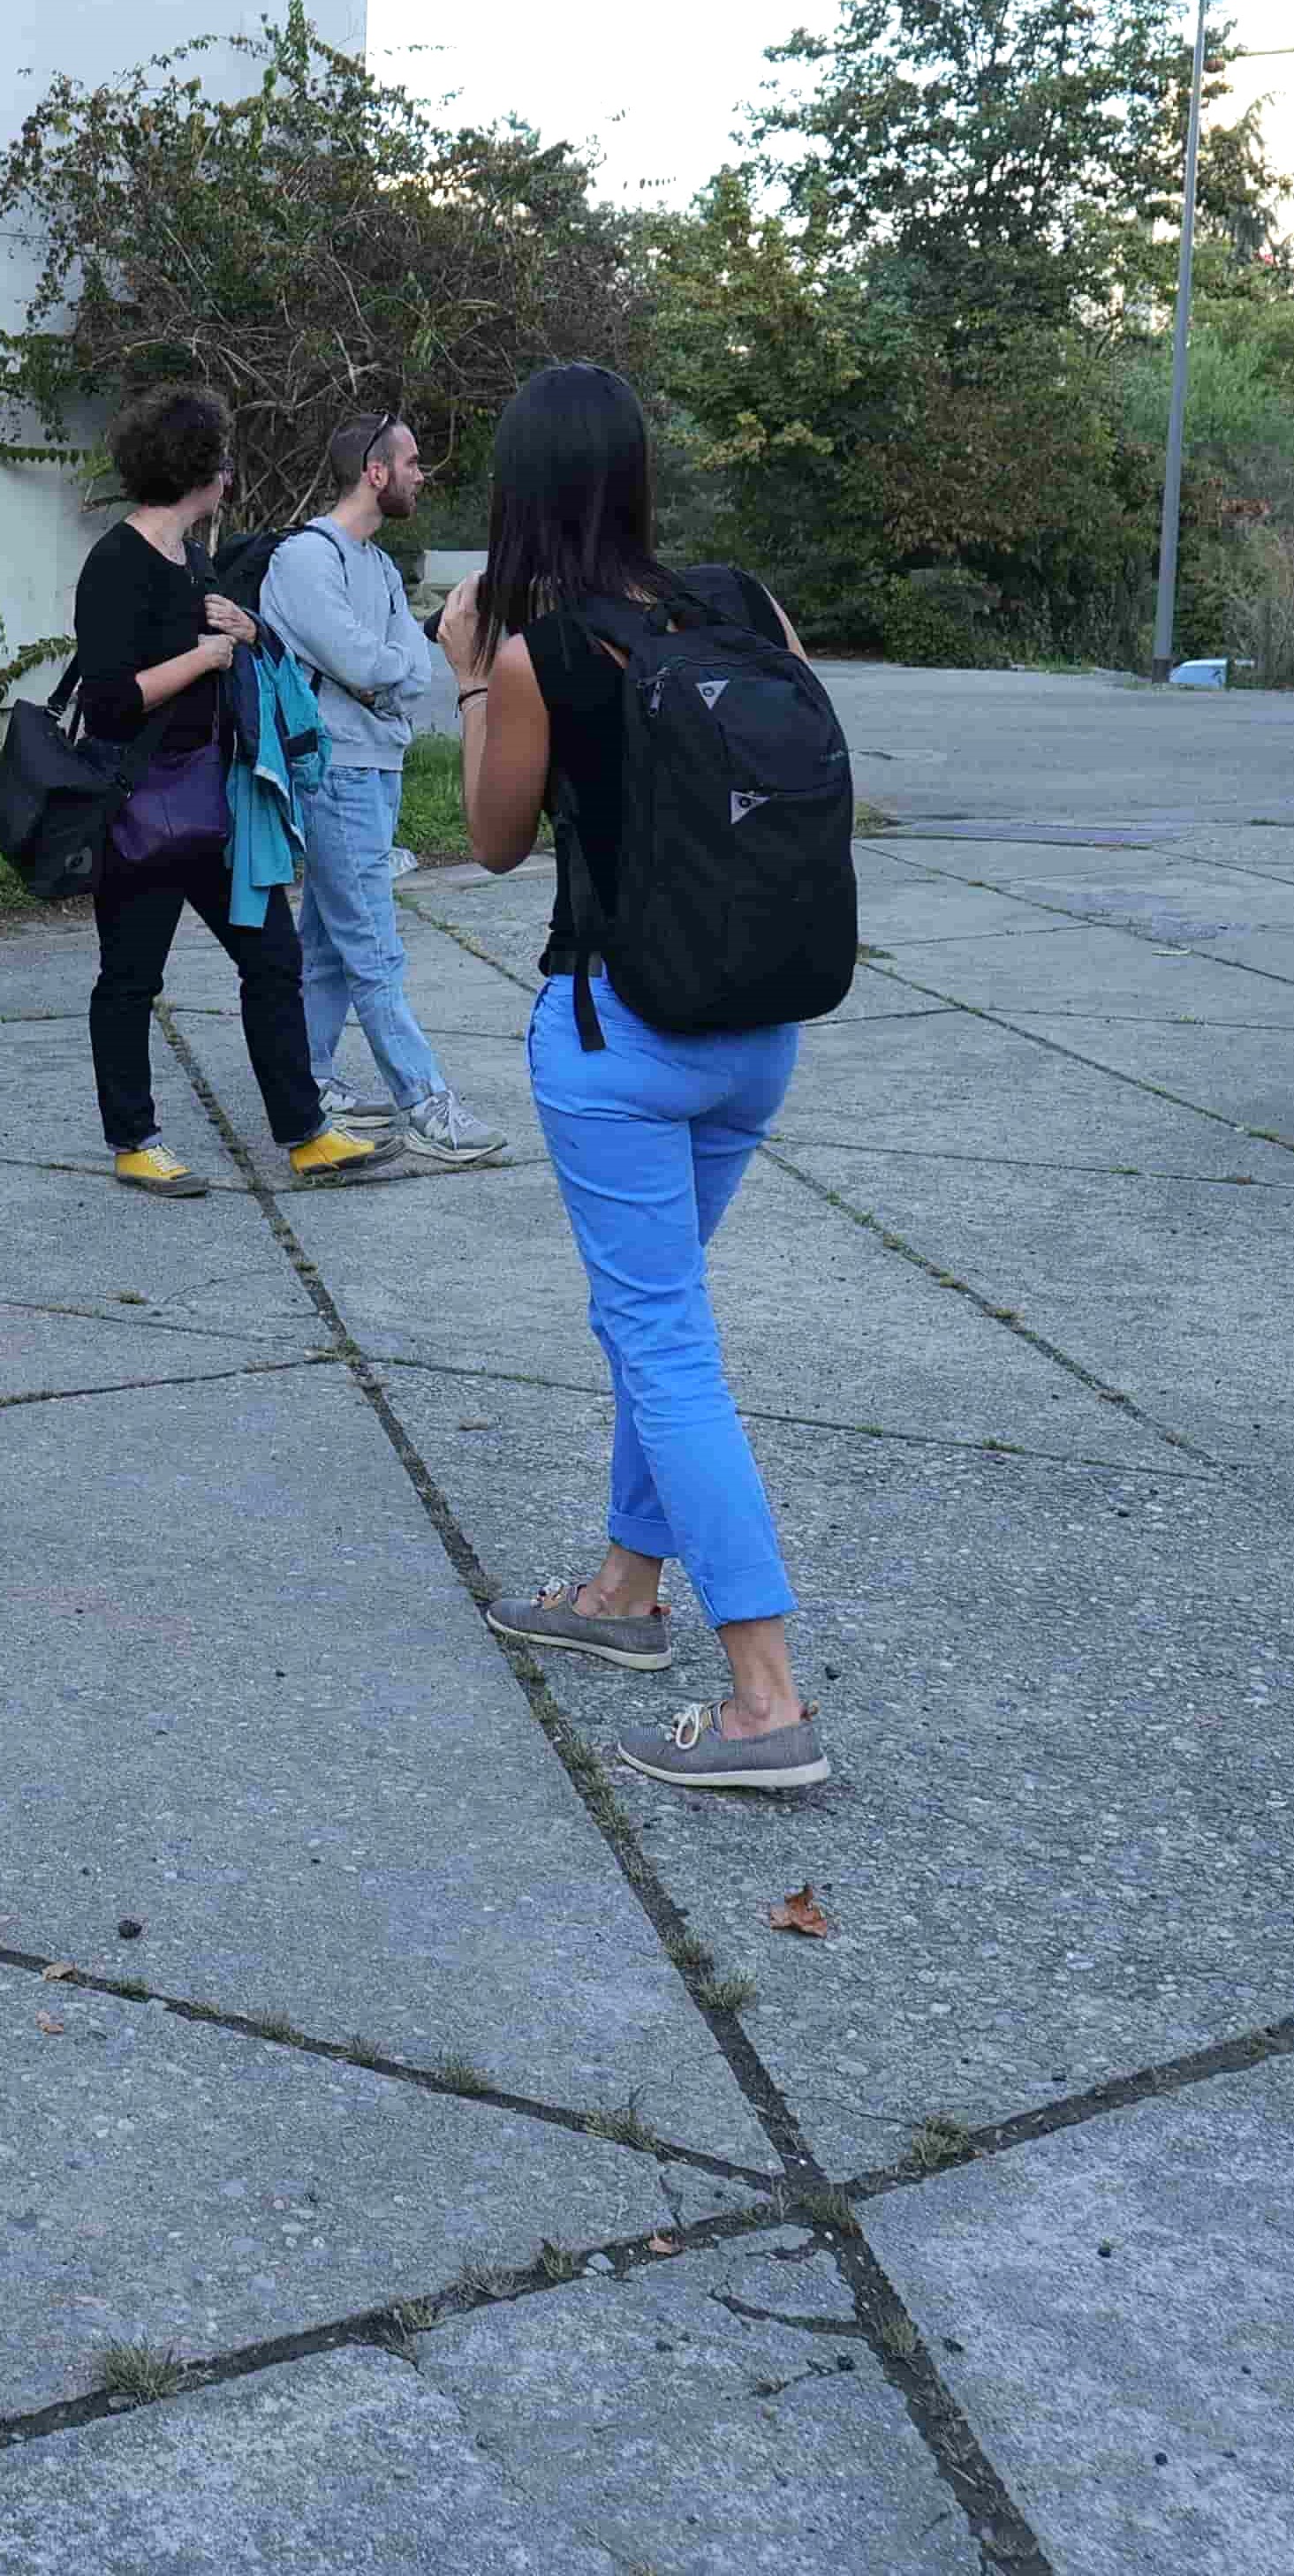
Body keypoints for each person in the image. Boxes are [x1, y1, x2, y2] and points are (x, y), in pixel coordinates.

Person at [446, 361, 838, 1793]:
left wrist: (466, 677)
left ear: (519, 491)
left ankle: (763, 1699)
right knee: (652, 1317)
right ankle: (621, 1592)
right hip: (759, 1031)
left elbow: (491, 841)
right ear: (636, 475)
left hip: (619, 1040)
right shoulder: (743, 603)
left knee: (663, 1341)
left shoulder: (534, 651)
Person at [70, 386, 394, 1199]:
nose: (228, 471)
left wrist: (248, 635)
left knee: (272, 960)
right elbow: (107, 700)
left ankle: (305, 1133)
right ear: (198, 470)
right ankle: (133, 1140)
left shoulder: (194, 557)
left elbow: (232, 646)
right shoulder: (115, 562)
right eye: (220, 457)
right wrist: (204, 658)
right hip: (141, 808)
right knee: (131, 978)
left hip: (216, 806)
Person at [262, 412, 502, 1165]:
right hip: (332, 770)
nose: (420, 474)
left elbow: (412, 665)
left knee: (331, 939)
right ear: (374, 471)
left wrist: (378, 675)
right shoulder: (305, 559)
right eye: (413, 462)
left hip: (380, 763)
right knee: (373, 944)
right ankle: (425, 1103)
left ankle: (308, 1076)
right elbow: (364, 664)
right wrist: (377, 675)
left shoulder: (376, 568)